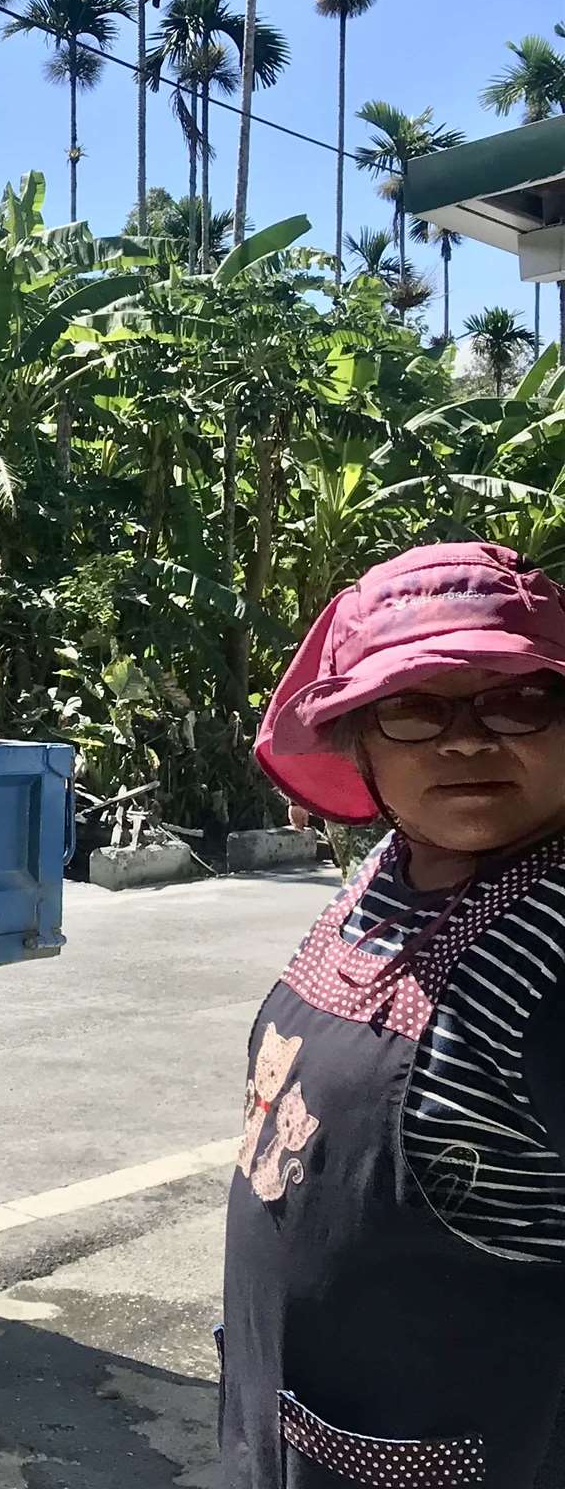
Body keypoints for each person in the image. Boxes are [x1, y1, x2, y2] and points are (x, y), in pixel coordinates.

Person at [224, 542, 565, 1487]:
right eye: (413, 708)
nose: (466, 740)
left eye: (520, 699)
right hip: (303, 1431)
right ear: (359, 743)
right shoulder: (396, 867)